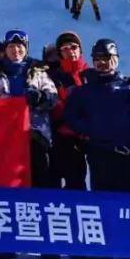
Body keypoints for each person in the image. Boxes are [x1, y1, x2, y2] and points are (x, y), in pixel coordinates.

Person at [63, 39, 130, 259]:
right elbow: (71, 115)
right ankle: (102, 253)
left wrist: (128, 126)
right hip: (99, 152)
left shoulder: (129, 88)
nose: (103, 64)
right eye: (99, 60)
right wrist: (90, 129)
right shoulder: (84, 91)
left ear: (116, 60)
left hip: (128, 153)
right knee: (101, 203)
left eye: (107, 59)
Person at [0, 29, 58, 259]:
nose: (16, 51)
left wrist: (40, 98)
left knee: (41, 187)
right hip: (4, 138)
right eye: (12, 47)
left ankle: (47, 242)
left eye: (20, 47)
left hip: (34, 136)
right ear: (5, 49)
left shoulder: (38, 71)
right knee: (7, 188)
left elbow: (53, 96)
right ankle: (7, 240)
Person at [46, 31, 90, 201]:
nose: (70, 51)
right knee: (59, 180)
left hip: (90, 136)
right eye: (65, 48)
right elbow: (52, 106)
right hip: (63, 136)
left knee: (81, 184)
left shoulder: (90, 74)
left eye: (74, 47)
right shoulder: (54, 76)